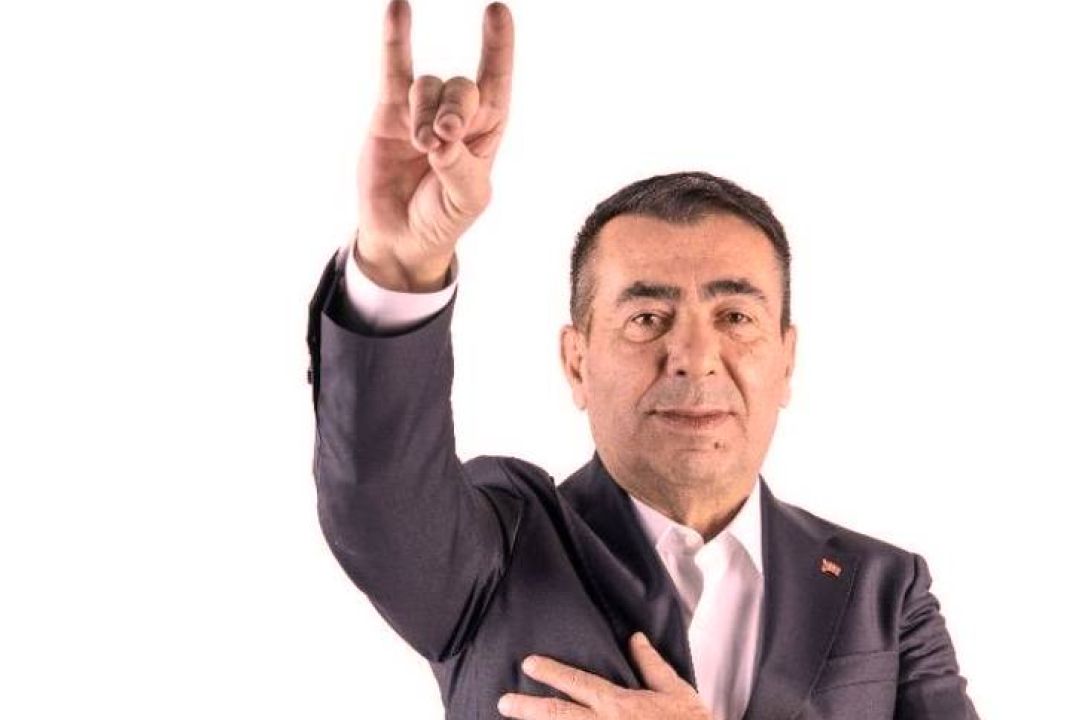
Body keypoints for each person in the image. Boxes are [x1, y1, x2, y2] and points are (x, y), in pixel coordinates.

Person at [305, 2, 980, 718]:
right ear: (577, 363)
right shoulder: (498, 552)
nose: (694, 358)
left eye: (736, 318)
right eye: (647, 319)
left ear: (786, 361)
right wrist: (399, 265)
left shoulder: (885, 592)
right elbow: (379, 497)